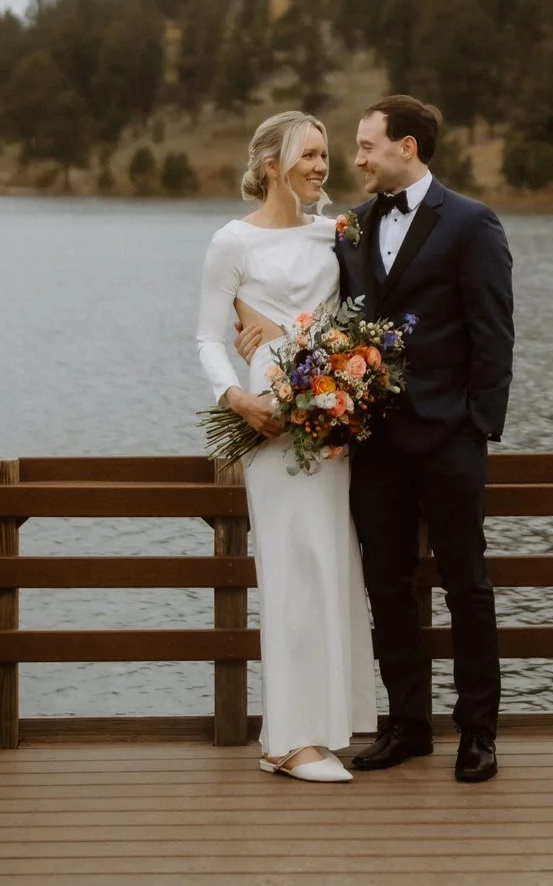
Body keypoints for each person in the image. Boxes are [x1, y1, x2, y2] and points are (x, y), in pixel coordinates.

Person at [334, 94, 513, 784]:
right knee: (388, 585)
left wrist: (477, 425)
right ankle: (407, 724)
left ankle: (479, 732)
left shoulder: (471, 222)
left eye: (366, 144)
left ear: (406, 146)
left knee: (467, 585)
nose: (357, 157)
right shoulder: (351, 227)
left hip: (449, 438)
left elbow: (492, 331)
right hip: (374, 440)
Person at [192, 110, 376, 781]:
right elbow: (209, 337)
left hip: (330, 418)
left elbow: (359, 319)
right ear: (271, 162)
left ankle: (320, 727)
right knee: (290, 567)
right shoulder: (231, 242)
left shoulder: (338, 234)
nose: (322, 165)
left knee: (330, 561)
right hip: (267, 415)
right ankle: (287, 740)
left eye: (326, 155)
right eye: (308, 153)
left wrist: (289, 331)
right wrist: (235, 398)